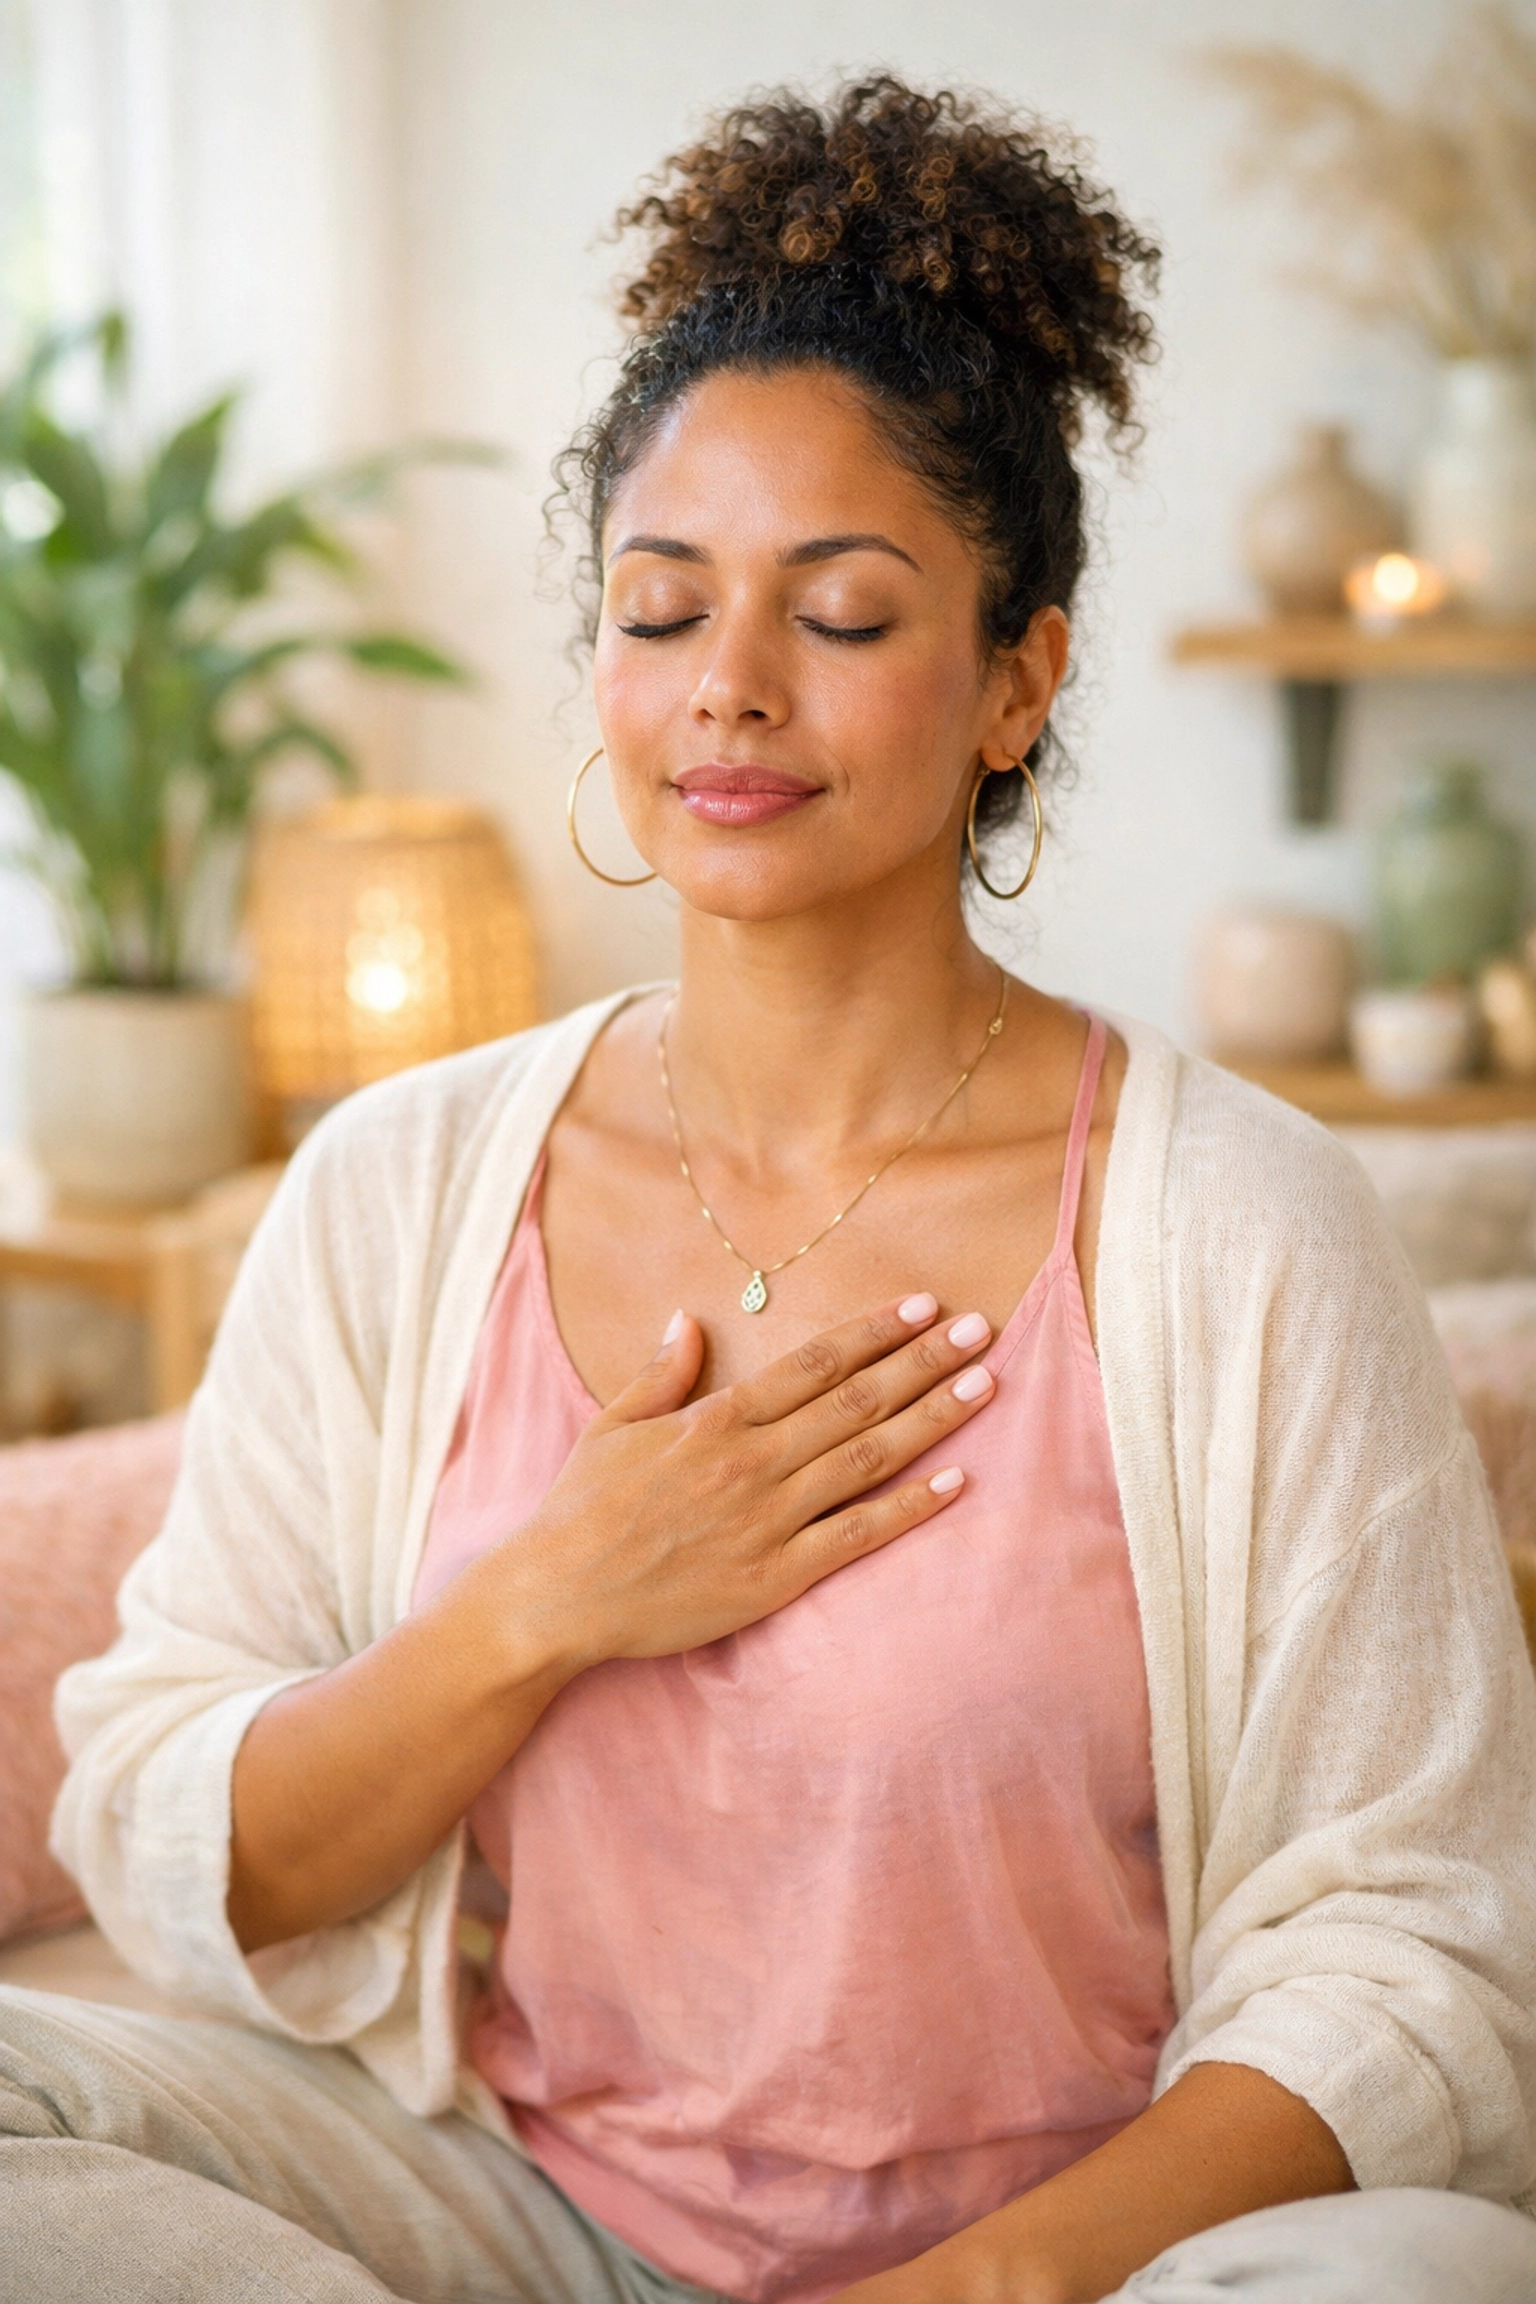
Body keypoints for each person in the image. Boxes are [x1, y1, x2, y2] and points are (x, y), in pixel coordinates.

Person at [5, 76, 1536, 2304]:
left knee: (1426, 2277)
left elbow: (1421, 1957)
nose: (726, 690)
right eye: (659, 609)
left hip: (1068, 2265)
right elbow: (178, 1850)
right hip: (527, 2221)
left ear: (1021, 675)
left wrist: (983, 2292)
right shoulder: (401, 1189)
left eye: (839, 614)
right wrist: (552, 1595)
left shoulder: (1247, 1234)